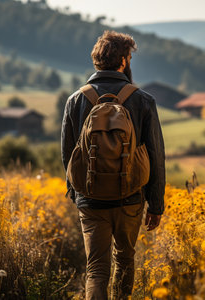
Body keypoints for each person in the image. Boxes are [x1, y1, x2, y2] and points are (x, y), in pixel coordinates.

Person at [61, 30, 165, 299]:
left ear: (97, 60)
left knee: (96, 268)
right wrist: (155, 204)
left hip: (91, 198)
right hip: (130, 197)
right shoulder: (143, 100)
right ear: (124, 60)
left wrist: (77, 193)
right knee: (125, 261)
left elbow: (68, 153)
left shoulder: (76, 100)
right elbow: (155, 155)